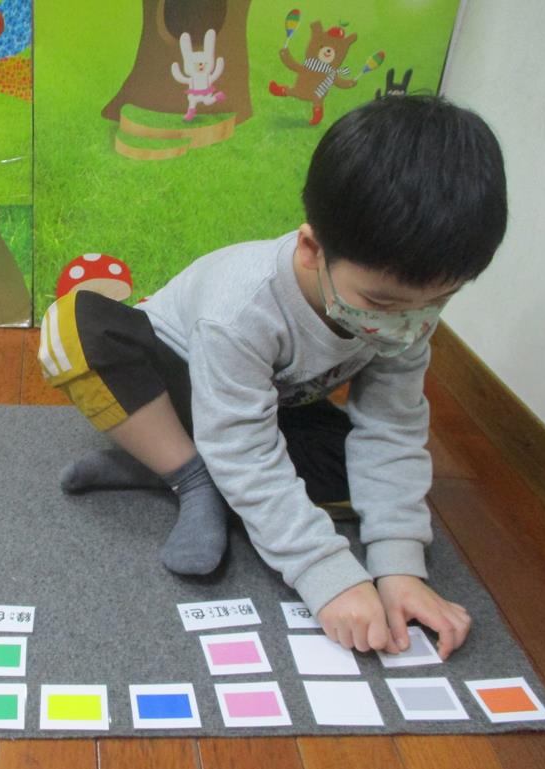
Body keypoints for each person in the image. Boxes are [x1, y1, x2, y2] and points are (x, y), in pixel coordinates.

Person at [37, 95, 507, 660]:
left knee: (355, 477)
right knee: (75, 328)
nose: (407, 323)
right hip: (173, 384)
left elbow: (392, 432)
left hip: (269, 408)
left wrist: (399, 568)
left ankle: (161, 468)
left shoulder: (406, 315)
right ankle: (189, 474)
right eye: (382, 303)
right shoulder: (243, 305)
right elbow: (242, 445)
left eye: (440, 300)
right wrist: (330, 577)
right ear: (311, 249)